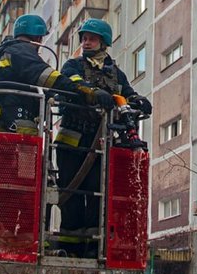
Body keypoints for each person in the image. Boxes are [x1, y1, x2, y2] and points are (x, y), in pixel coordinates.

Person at [54, 19, 151, 254]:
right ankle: (70, 246)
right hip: (72, 141)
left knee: (97, 194)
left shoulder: (115, 73)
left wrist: (139, 100)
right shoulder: (73, 65)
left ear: (103, 42)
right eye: (84, 38)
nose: (86, 42)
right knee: (72, 193)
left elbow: (126, 93)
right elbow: (72, 84)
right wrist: (93, 93)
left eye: (91, 38)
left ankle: (92, 244)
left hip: (100, 143)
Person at [0, 14, 113, 135]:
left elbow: (24, 81)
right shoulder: (23, 51)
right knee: (26, 160)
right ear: (38, 38)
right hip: (17, 124)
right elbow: (48, 77)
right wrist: (85, 91)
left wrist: (51, 96)